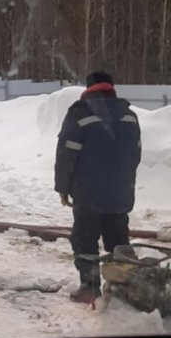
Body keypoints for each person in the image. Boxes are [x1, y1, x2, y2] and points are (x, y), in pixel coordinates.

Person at [55, 71, 142, 303]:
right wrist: (122, 182)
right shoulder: (129, 116)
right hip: (120, 192)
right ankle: (122, 291)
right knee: (118, 239)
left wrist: (63, 188)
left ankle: (90, 287)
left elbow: (66, 155)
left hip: (88, 192)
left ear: (89, 88)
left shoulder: (80, 114)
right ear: (111, 88)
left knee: (85, 237)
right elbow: (135, 155)